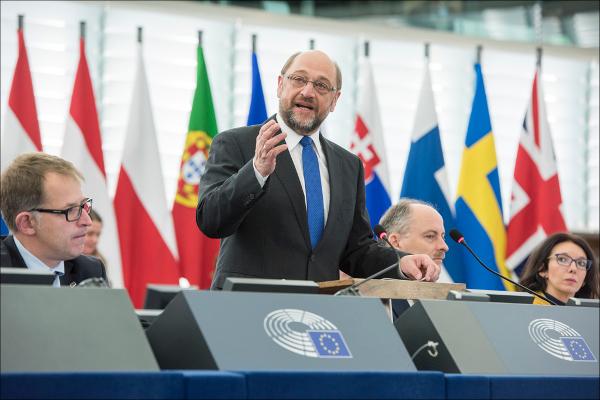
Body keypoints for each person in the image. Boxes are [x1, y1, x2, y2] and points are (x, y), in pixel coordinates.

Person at [196, 50, 440, 289]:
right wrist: (256, 172)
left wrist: (401, 261)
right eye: (299, 79)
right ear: (280, 85)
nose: (308, 92)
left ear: (335, 100)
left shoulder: (348, 165)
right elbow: (211, 221)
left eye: (322, 85)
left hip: (317, 313)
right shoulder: (237, 144)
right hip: (248, 306)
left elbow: (356, 251)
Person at [0, 153, 107, 287]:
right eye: (70, 210)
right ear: (27, 223)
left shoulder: (91, 270)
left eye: (83, 206)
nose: (87, 221)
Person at [379, 199, 449, 317]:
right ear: (395, 242)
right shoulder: (370, 299)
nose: (444, 247)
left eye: (443, 237)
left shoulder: (445, 303)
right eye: (430, 236)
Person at [519, 232, 599, 305]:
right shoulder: (525, 309)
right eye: (563, 259)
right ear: (543, 269)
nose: (573, 269)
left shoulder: (592, 315)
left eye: (581, 263)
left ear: (585, 278)